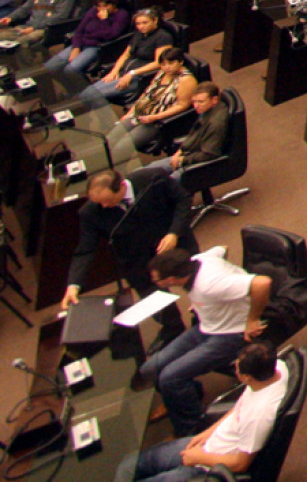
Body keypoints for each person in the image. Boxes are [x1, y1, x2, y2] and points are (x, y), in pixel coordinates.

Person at [138, 246, 273, 436]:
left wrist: (252, 319)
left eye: (157, 279)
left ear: (171, 280)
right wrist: (207, 303)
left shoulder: (209, 284)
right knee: (150, 369)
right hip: (208, 326)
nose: (154, 281)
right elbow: (223, 249)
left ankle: (190, 430)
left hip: (231, 334)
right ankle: (182, 397)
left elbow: (262, 283)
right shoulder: (198, 260)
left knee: (170, 377)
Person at [115, 341, 292, 482]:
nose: (234, 369)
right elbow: (239, 409)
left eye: (237, 367)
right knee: (128, 465)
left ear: (247, 377)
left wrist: (199, 458)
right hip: (207, 444)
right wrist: (207, 433)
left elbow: (240, 464)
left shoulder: (259, 415)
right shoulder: (276, 368)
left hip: (210, 470)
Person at [62, 169, 192, 336]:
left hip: (173, 242)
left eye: (108, 201)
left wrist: (174, 232)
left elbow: (183, 200)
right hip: (135, 257)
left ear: (122, 186)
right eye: (99, 203)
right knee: (152, 297)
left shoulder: (152, 179)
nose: (104, 206)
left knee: (194, 281)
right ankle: (173, 329)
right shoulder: (90, 212)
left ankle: (202, 317)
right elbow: (86, 249)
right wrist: (74, 285)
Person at [131, 80, 233, 191]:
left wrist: (182, 160)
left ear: (214, 100)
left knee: (157, 188)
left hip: (201, 164)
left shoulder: (215, 123)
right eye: (194, 101)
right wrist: (180, 152)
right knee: (143, 173)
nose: (196, 106)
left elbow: (210, 155)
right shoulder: (207, 110)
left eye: (201, 102)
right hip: (190, 153)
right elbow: (195, 134)